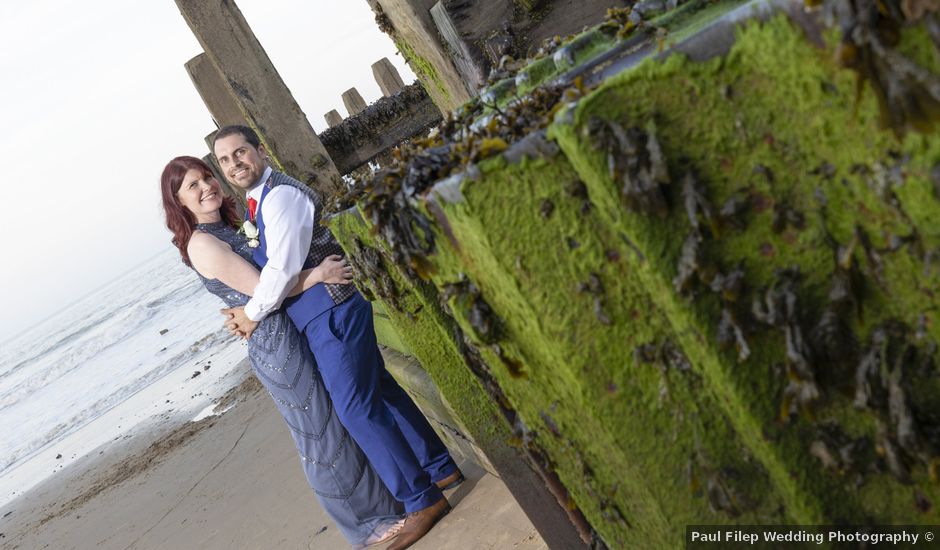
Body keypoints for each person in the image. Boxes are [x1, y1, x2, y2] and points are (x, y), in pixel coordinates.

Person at [213, 125, 461, 550]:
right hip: (321, 312)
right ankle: (439, 467)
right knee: (380, 391)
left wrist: (251, 316)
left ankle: (422, 500)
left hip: (332, 309)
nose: (235, 163)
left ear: (261, 151)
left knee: (356, 409)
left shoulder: (283, 197)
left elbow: (280, 272)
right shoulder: (259, 204)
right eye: (225, 159)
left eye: (241, 152)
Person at [160, 156, 405, 549]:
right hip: (275, 344)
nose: (206, 186)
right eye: (192, 185)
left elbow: (272, 275)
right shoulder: (203, 242)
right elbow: (263, 289)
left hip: (286, 327)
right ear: (179, 202)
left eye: (207, 176)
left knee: (334, 422)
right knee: (319, 433)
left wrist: (253, 308)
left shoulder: (226, 226)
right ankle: (365, 526)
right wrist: (319, 274)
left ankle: (386, 503)